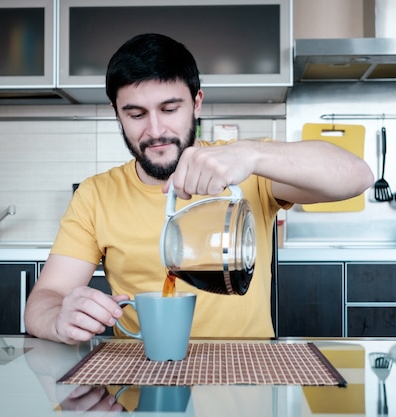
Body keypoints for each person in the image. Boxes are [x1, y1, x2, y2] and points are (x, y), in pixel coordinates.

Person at [24, 33, 374, 345]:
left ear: (197, 103)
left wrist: (251, 154)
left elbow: (357, 176)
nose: (155, 130)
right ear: (117, 114)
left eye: (170, 108)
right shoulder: (96, 195)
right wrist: (59, 319)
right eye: (136, 114)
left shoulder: (247, 168)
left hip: (246, 380)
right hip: (141, 386)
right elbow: (46, 298)